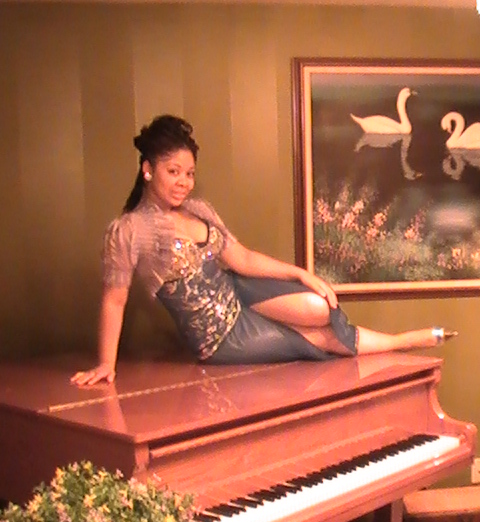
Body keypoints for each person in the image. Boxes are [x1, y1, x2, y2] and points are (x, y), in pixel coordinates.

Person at [71, 115, 457, 387]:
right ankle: (405, 341)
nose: (184, 182)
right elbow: (114, 301)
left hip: (240, 291)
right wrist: (106, 364)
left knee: (321, 309)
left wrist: (301, 274)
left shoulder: (199, 211)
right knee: (317, 340)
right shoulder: (128, 231)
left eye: (189, 173)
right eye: (173, 172)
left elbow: (241, 259)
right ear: (148, 169)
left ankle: (400, 340)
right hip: (220, 336)